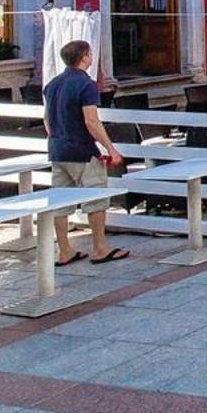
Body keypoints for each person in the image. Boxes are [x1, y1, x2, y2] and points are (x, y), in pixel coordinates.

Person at [41, 40, 127, 265]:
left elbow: (47, 121)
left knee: (60, 202)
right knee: (96, 199)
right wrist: (110, 148)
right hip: (82, 150)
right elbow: (91, 120)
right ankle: (99, 248)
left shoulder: (52, 84)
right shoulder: (86, 84)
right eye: (90, 54)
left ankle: (65, 250)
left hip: (58, 150)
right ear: (85, 57)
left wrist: (57, 138)